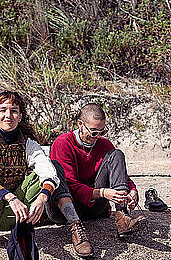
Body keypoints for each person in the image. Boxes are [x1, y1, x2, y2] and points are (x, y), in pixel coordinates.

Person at [0, 91, 92, 257]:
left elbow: (47, 170)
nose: (8, 115)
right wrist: (10, 198)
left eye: (14, 111)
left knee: (53, 167)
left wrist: (43, 198)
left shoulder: (28, 143)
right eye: (3, 110)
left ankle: (63, 225)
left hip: (15, 214)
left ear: (20, 116)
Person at [49, 103, 144, 251]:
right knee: (55, 168)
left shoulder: (104, 144)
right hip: (64, 209)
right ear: (80, 124)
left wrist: (132, 190)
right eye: (93, 132)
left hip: (93, 207)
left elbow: (119, 173)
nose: (97, 137)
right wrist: (102, 193)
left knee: (116, 154)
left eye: (102, 131)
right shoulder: (63, 143)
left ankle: (122, 216)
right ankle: (76, 228)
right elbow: (68, 184)